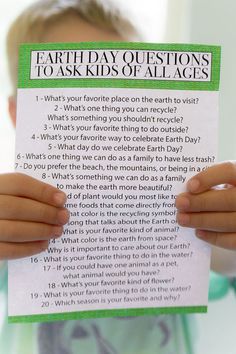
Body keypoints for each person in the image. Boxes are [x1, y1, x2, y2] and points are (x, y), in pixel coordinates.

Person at [0, 0, 235, 353]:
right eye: (75, 97)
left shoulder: (175, 197)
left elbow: (221, 264)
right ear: (20, 116)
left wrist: (226, 232)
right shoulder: (16, 210)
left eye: (124, 95)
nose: (101, 112)